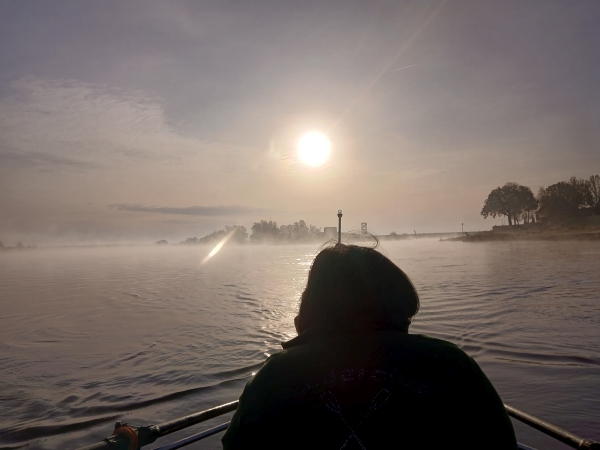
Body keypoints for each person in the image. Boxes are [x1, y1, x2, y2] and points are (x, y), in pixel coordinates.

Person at [222, 244, 517, 449]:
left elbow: (238, 446)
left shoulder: (276, 375)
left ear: (313, 305)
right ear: (399, 299)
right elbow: (499, 443)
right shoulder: (450, 365)